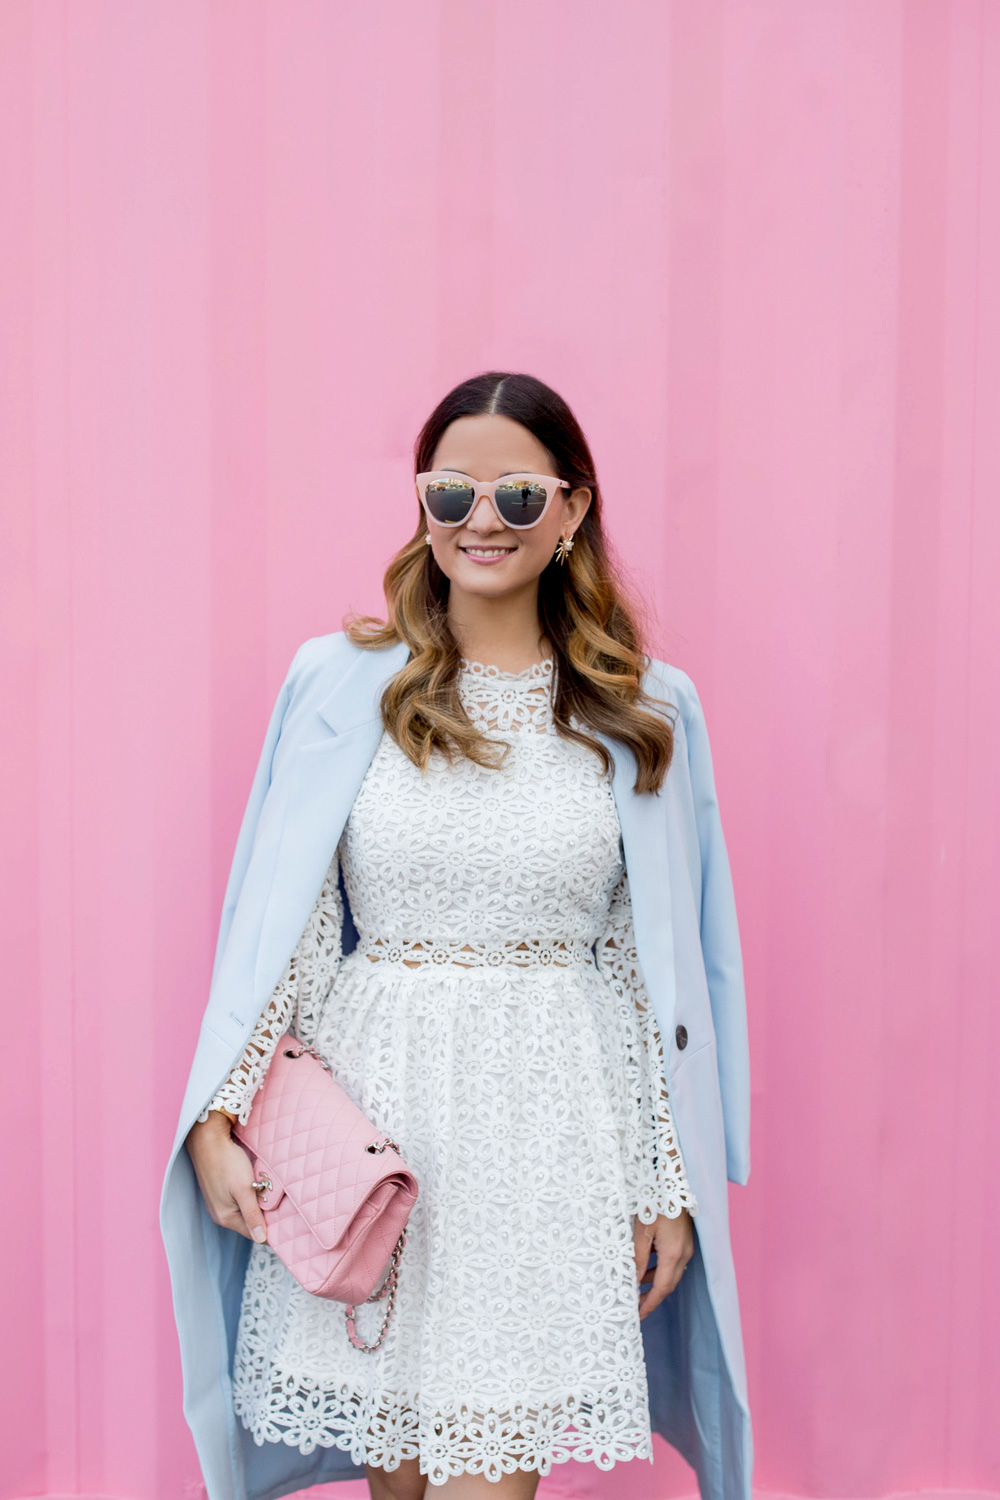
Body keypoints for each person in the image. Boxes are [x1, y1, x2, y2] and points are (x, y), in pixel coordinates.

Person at [160, 372, 752, 1500]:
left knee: (492, 1467)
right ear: (422, 504)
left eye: (520, 497)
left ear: (573, 511)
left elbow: (643, 976)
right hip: (373, 1109)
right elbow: (286, 927)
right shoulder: (340, 683)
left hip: (549, 1123)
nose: (483, 521)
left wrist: (662, 1184)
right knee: (400, 1477)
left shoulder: (641, 710)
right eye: (452, 492)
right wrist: (217, 1119)